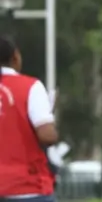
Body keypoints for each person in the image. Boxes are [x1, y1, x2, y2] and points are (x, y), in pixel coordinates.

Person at [0, 34, 59, 202]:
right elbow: (47, 136)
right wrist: (48, 116)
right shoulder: (30, 87)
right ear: (15, 57)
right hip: (27, 188)